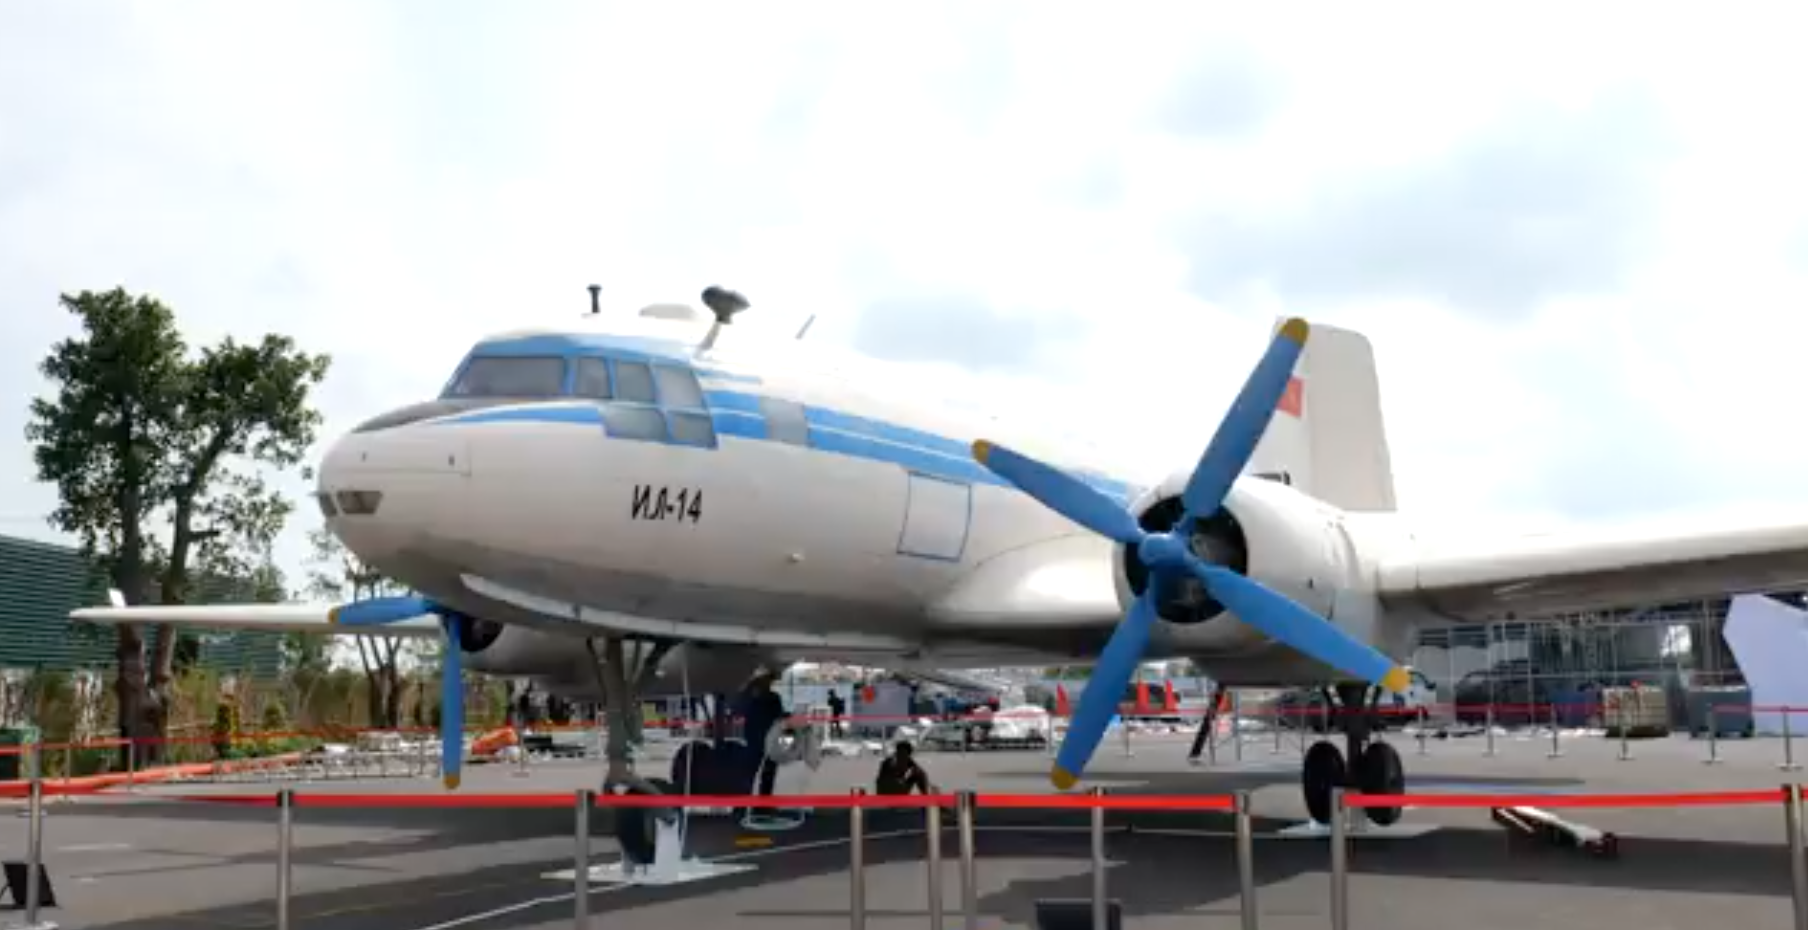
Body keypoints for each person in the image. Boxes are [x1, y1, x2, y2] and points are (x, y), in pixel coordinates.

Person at [739, 672, 787, 796]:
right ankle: (763, 800)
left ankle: (745, 800)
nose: (769, 684)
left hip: (756, 740)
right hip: (767, 740)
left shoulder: (749, 698)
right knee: (765, 773)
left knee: (751, 772)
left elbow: (741, 714)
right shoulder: (773, 698)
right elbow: (779, 718)